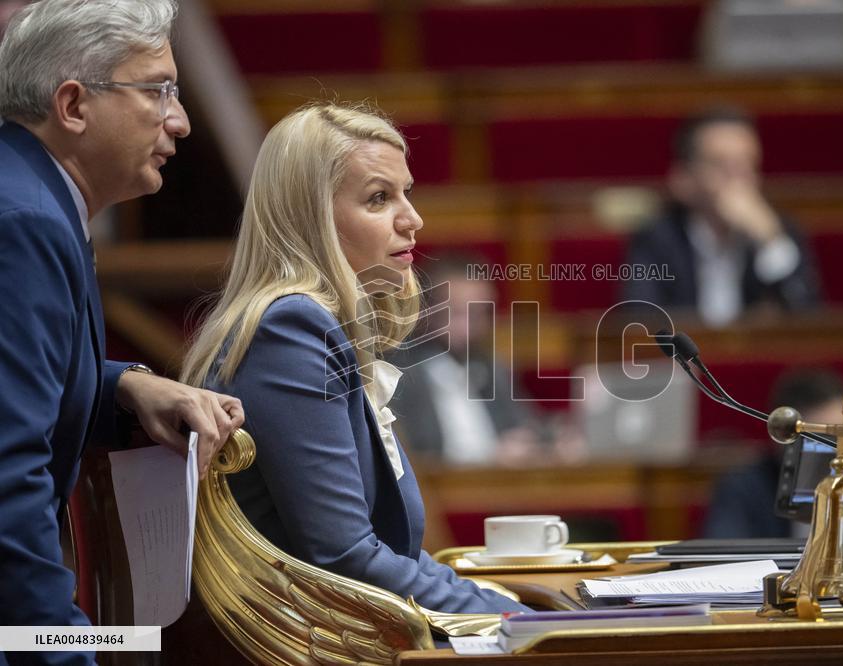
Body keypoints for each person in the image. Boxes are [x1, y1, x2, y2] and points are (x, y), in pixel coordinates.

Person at [181, 102, 529, 614]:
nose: (413, 219)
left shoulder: (315, 324)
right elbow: (344, 556)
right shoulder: (291, 329)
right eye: (379, 198)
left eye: (405, 193)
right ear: (311, 216)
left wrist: (502, 604)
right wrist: (515, 620)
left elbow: (393, 552)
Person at [0, 0, 244, 661]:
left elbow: (22, 375)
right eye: (159, 89)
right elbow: (7, 478)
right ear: (74, 105)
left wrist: (126, 386)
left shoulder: (33, 195)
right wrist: (63, 650)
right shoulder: (24, 219)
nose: (181, 121)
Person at [623, 107, 821, 327]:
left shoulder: (779, 233)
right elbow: (640, 324)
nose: (738, 179)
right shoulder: (657, 237)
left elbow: (809, 324)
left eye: (748, 164)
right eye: (720, 165)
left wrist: (770, 242)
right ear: (684, 178)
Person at [391, 254, 545, 466]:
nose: (468, 328)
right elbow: (406, 456)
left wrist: (547, 440)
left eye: (478, 314)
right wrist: (492, 455)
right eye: (456, 313)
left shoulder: (490, 365)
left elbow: (524, 426)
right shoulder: (398, 374)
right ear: (425, 312)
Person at [703, 369, 843, 539]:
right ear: (783, 440)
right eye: (825, 441)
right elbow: (723, 551)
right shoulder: (744, 487)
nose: (842, 452)